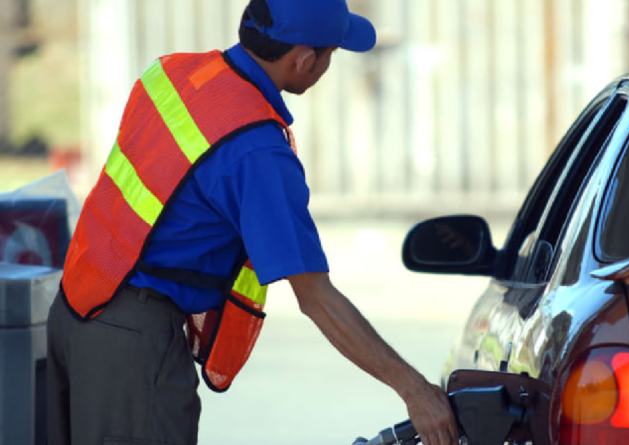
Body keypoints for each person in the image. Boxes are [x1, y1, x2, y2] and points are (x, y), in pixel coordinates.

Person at [46, 1, 458, 444]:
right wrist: (416, 391)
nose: (326, 67)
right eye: (330, 55)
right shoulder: (258, 150)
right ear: (303, 60)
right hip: (132, 348)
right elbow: (317, 298)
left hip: (76, 309)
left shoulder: (169, 73)